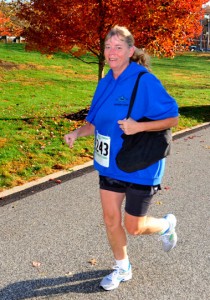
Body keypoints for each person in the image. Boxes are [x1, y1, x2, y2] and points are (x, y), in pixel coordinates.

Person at [64, 25, 179, 291]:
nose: (111, 52)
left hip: (140, 165)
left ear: (130, 50)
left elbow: (172, 117)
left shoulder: (144, 80)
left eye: (118, 47)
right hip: (109, 163)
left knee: (134, 226)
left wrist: (139, 126)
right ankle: (122, 267)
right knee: (110, 219)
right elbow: (95, 123)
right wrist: (76, 133)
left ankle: (165, 225)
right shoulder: (105, 81)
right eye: (107, 47)